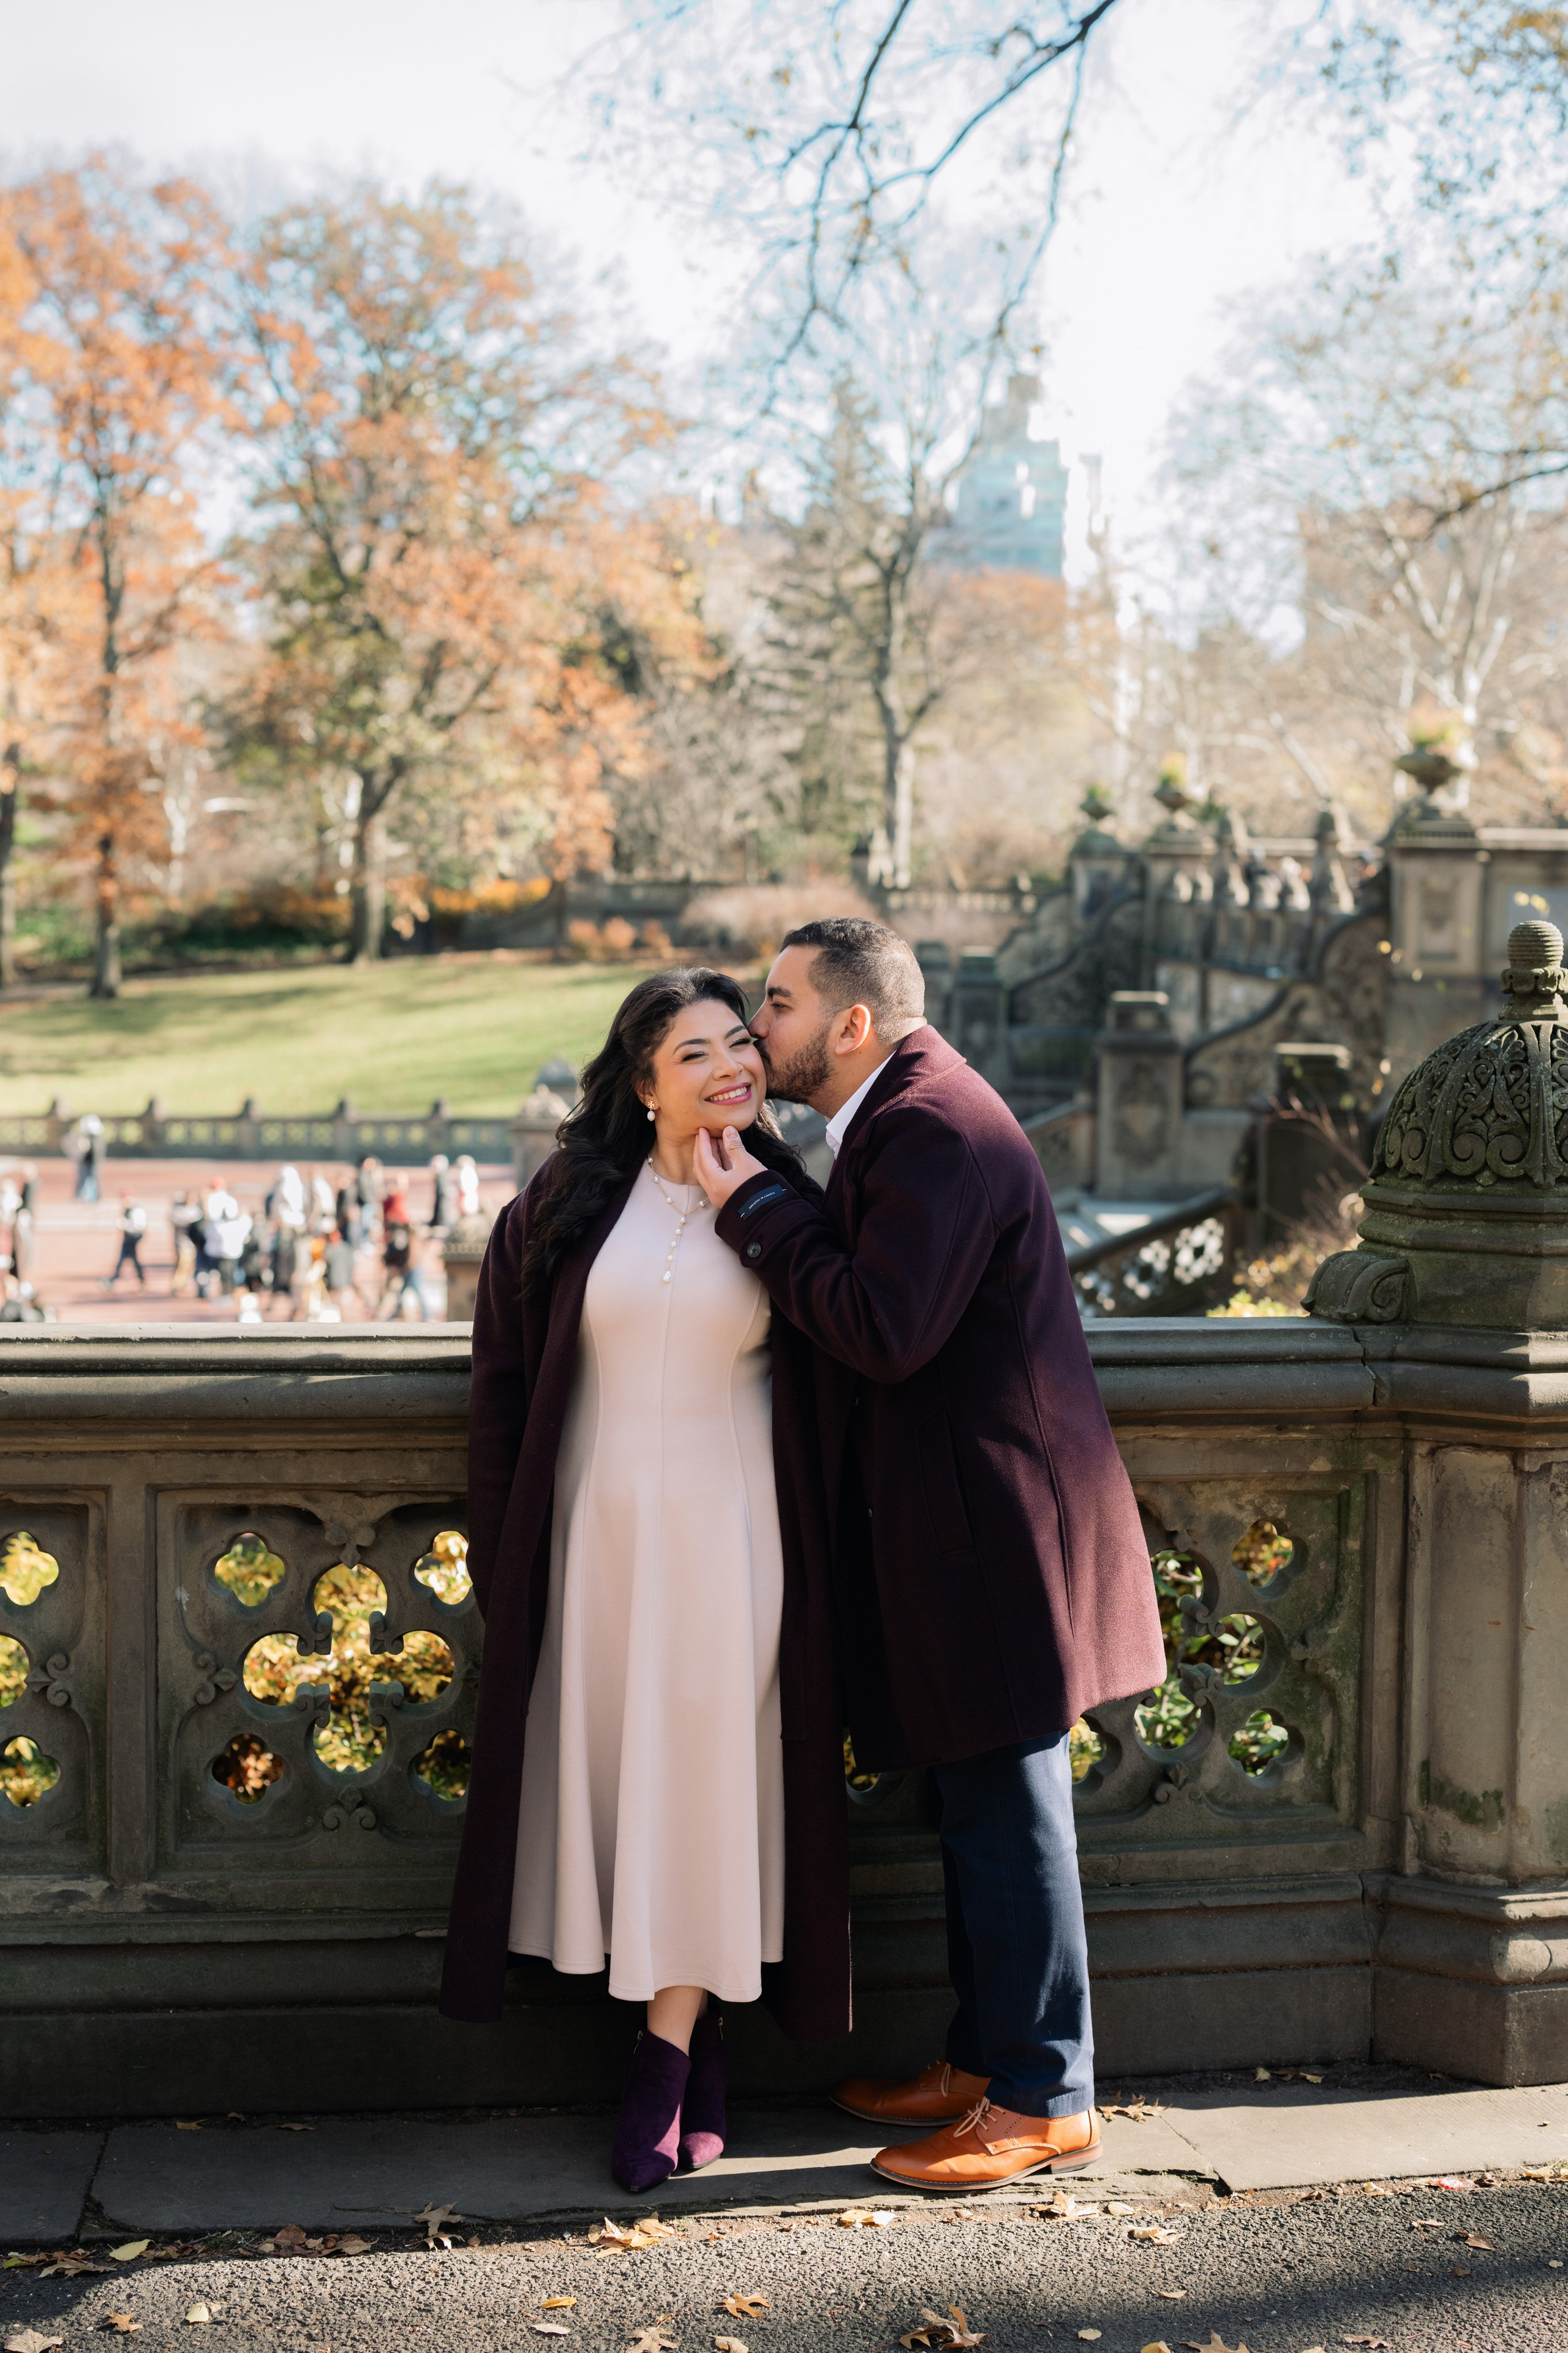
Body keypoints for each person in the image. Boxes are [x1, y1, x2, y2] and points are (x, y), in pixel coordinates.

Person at [692, 916, 1166, 2194]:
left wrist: (748, 1206)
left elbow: (881, 1328)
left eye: (778, 1006)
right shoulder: (897, 1116)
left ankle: (1045, 2096)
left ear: (852, 1024)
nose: (757, 1029)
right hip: (967, 1524)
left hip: (997, 1533)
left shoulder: (932, 1127)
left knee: (1009, 1816)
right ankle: (982, 2062)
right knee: (972, 1810)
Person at [440, 969, 848, 2196]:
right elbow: (501, 1385)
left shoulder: (786, 1200)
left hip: (734, 1548)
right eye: (696, 1054)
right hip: (594, 1546)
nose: (733, 1068)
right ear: (644, 1083)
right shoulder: (565, 1202)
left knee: (707, 1789)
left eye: (740, 1044)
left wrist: (748, 1208)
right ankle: (698, 2033)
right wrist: (503, 1553)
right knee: (622, 1792)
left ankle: (662, 2061)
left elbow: (844, 1367)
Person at [104, 1193, 148, 1290]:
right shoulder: (127, 1210)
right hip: (128, 1239)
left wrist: (125, 1225)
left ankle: (112, 1281)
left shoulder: (137, 1211)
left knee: (125, 1260)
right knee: (132, 1260)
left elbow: (139, 1227)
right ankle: (141, 1281)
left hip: (133, 1239)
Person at [170, 1191, 202, 1295]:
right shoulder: (180, 1211)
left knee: (190, 1266)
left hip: (192, 1243)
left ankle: (182, 1286)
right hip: (184, 1243)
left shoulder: (196, 1210)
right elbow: (174, 1221)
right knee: (183, 1265)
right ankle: (177, 1286)